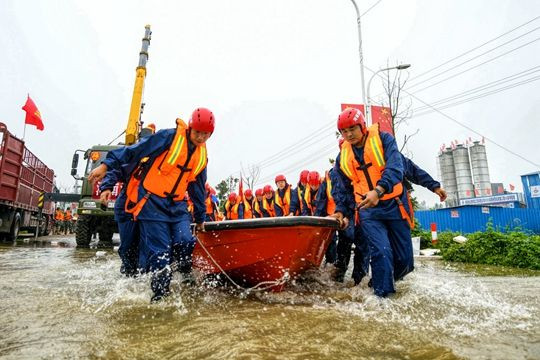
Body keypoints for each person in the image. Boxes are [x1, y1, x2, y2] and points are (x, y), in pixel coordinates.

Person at [88, 107, 214, 302]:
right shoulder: (166, 140)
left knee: (185, 241)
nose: (200, 137)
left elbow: (197, 189)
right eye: (197, 132)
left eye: (205, 134)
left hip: (177, 206)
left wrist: (200, 218)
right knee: (154, 252)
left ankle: (183, 276)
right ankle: (158, 295)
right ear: (189, 128)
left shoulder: (201, 156)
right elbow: (131, 154)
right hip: (149, 204)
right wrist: (106, 167)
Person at [331, 107, 414, 297]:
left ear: (362, 126)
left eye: (352, 128)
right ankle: (382, 299)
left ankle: (377, 283)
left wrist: (378, 190)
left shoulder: (384, 140)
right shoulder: (342, 157)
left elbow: (395, 169)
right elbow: (342, 188)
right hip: (368, 211)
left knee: (405, 261)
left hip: (394, 205)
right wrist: (341, 212)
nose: (349, 134)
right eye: (344, 131)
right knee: (381, 252)